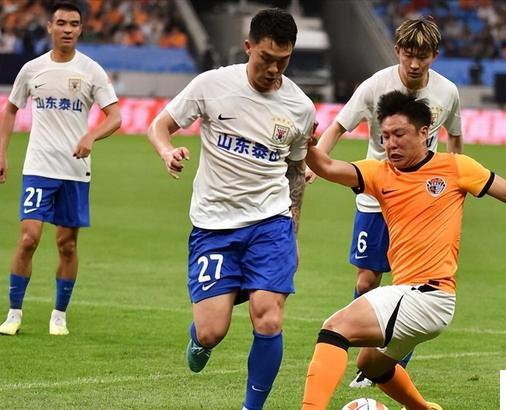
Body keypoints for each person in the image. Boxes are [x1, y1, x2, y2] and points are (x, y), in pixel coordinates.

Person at [301, 91, 506, 410]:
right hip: (411, 295)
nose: (390, 144)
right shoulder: (379, 173)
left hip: (428, 295)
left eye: (399, 134)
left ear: (424, 132)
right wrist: (308, 146)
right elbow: (327, 166)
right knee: (371, 364)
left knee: (334, 328)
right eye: (385, 136)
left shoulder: (456, 168)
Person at [146, 9, 314, 410]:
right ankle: (203, 334)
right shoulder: (212, 85)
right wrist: (167, 152)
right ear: (248, 47)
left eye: (283, 61)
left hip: (270, 222)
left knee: (268, 316)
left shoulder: (300, 107)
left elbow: (296, 171)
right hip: (214, 225)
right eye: (266, 58)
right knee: (211, 331)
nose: (273, 70)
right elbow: (159, 126)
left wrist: (293, 232)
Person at [305, 17, 463, 388]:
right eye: (408, 54)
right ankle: (368, 352)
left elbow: (455, 137)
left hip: (423, 200)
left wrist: (455, 180)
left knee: (415, 285)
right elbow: (338, 126)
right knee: (366, 281)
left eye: (423, 56)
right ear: (397, 51)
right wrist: (317, 164)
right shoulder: (375, 85)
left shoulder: (447, 92)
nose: (414, 63)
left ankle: (389, 364)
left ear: (434, 55)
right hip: (377, 194)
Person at [0, 2, 121, 336]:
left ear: (81, 29)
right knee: (28, 238)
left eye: (74, 24)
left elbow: (115, 116)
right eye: (62, 23)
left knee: (67, 245)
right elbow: (10, 109)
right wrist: (2, 153)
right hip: (38, 167)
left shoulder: (91, 70)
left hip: (74, 171)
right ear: (50, 27)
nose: (68, 29)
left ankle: (59, 315)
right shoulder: (32, 69)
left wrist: (91, 136)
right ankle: (14, 313)